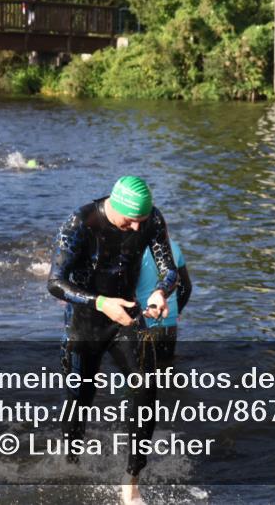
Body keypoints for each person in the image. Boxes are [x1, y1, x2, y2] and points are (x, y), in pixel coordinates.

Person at [47, 175, 181, 505]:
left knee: (147, 390)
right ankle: (71, 461)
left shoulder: (152, 218)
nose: (137, 228)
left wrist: (161, 293)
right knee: (80, 396)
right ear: (114, 207)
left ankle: (131, 482)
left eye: (142, 221)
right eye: (130, 221)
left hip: (129, 318)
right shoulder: (81, 222)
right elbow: (54, 282)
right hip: (85, 322)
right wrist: (100, 302)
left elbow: (171, 270)